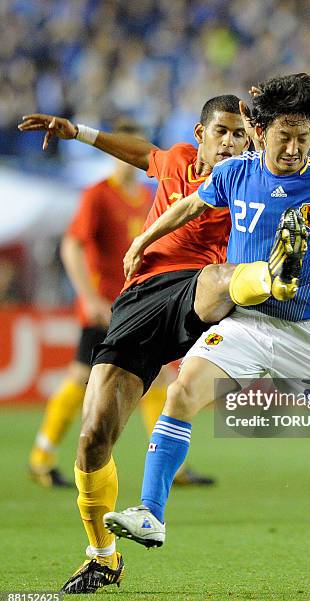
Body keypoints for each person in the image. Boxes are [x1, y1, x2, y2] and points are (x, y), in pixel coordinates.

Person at [104, 74, 310, 576]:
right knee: (181, 393)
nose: (293, 148)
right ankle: (152, 513)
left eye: (303, 138)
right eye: (284, 136)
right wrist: (142, 241)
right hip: (247, 324)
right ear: (262, 132)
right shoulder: (237, 173)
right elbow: (192, 204)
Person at [18, 94, 304, 594]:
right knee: (92, 440)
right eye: (223, 132)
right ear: (200, 135)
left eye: (242, 134)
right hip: (138, 302)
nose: (233, 142)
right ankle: (103, 558)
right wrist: (78, 131)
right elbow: (140, 152)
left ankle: (273, 276)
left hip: (199, 293)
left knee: (217, 276)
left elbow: (291, 175)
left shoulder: (250, 181)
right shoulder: (173, 160)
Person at [28, 119, 213, 488]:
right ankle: (42, 455)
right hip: (103, 304)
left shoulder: (148, 196)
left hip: (138, 299)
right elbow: (72, 245)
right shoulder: (98, 194)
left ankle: (171, 464)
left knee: (160, 375)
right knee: (82, 377)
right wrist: (88, 296)